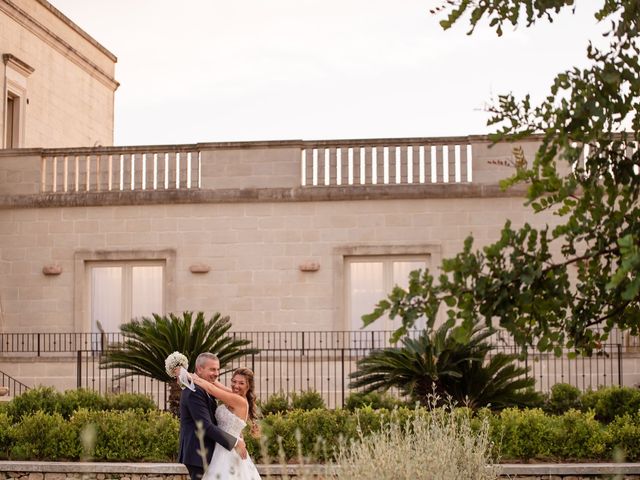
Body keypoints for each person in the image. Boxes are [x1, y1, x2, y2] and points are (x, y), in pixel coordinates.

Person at [178, 353, 248, 480]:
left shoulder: (204, 387)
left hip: (216, 451)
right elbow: (205, 426)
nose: (216, 373)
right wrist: (236, 441)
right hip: (198, 453)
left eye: (217, 369)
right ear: (199, 369)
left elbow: (213, 388)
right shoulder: (195, 390)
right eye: (212, 369)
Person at [189, 366, 261, 480]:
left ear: (248, 386)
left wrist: (190, 377)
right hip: (222, 445)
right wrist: (207, 372)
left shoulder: (239, 401)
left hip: (230, 450)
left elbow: (211, 389)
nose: (236, 386)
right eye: (234, 381)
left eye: (241, 383)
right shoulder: (234, 395)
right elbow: (214, 383)